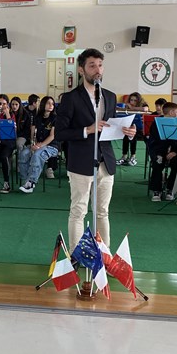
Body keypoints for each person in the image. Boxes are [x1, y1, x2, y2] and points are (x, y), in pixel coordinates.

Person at [55, 48, 136, 249]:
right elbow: (60, 133)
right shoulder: (71, 98)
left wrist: (126, 131)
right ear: (81, 70)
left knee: (102, 212)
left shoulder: (110, 96)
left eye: (100, 65)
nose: (97, 70)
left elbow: (110, 127)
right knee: (79, 211)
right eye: (92, 65)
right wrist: (87, 130)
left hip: (105, 161)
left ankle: (104, 254)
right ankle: (76, 255)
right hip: (81, 161)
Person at [18, 96, 59, 194]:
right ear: (43, 104)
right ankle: (27, 180)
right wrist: (33, 144)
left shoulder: (55, 118)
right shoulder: (37, 118)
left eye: (52, 104)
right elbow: (33, 134)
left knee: (37, 155)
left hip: (51, 146)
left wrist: (40, 146)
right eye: (48, 103)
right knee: (23, 154)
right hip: (37, 144)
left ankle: (31, 183)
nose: (51, 105)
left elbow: (52, 136)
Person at [148, 101, 177, 201]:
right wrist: (161, 152)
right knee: (157, 163)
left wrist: (175, 151)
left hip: (174, 151)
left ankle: (171, 188)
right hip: (159, 150)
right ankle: (157, 190)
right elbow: (154, 141)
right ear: (171, 112)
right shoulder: (157, 123)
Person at [116, 92, 149, 166]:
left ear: (139, 100)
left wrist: (132, 108)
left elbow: (145, 109)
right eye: (131, 100)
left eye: (135, 100)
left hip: (139, 129)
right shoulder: (127, 106)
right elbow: (122, 111)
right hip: (128, 127)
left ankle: (133, 156)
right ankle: (124, 156)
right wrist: (119, 108)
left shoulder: (143, 105)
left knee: (133, 136)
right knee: (126, 135)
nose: (133, 102)